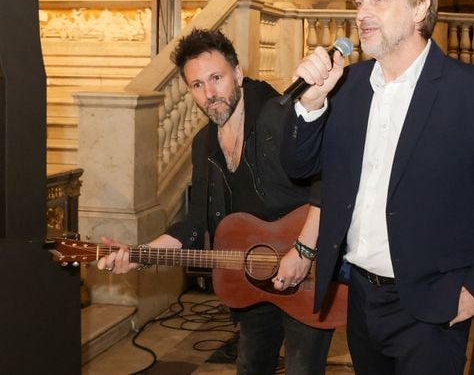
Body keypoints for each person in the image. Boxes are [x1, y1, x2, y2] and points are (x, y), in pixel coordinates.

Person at [279, 0, 474, 374]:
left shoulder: (473, 92)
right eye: (358, 2)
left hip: (432, 307)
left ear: (421, 8)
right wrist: (311, 104)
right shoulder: (347, 88)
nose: (362, 13)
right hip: (361, 299)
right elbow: (299, 169)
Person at [97, 29, 333, 375]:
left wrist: (303, 252)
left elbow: (329, 183)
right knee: (251, 366)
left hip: (308, 268)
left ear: (237, 74)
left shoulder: (278, 114)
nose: (210, 93)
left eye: (217, 78)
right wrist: (138, 255)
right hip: (254, 276)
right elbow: (195, 223)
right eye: (197, 85)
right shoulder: (203, 145)